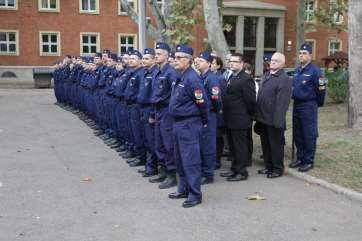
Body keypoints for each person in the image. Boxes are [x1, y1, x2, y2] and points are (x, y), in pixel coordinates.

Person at [168, 44, 208, 208]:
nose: (175, 60)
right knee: (179, 159)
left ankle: (195, 194)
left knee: (190, 161)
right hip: (178, 124)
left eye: (179, 57)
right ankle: (183, 188)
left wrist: (203, 121)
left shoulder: (192, 78)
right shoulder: (181, 76)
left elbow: (202, 103)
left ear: (189, 60)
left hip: (189, 124)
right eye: (175, 57)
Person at [289, 43, 327, 172]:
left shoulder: (316, 71)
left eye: (304, 53)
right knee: (298, 133)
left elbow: (321, 90)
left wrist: (317, 104)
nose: (301, 55)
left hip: (309, 105)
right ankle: (300, 158)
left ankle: (308, 160)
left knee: (308, 134)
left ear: (310, 55)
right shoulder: (298, 70)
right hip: (297, 105)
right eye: (300, 53)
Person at [255, 52, 292, 178]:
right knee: (265, 145)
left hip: (274, 120)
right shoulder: (266, 75)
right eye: (272, 60)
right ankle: (268, 166)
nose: (273, 62)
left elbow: (282, 103)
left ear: (282, 64)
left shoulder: (284, 79)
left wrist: (278, 121)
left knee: (275, 146)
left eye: (276, 60)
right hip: (263, 118)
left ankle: (277, 169)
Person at [220, 53, 256, 181]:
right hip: (230, 118)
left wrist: (248, 116)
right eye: (231, 61)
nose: (232, 63)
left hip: (240, 119)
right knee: (233, 147)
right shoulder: (232, 77)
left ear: (241, 64)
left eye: (235, 62)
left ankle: (241, 172)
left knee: (240, 147)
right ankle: (234, 169)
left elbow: (251, 101)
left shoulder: (246, 79)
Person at [149, 42, 179, 189]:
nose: (156, 56)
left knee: (168, 144)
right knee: (159, 142)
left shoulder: (171, 72)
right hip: (158, 110)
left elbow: (175, 95)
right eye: (156, 53)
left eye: (159, 53)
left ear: (167, 56)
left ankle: (171, 174)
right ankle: (162, 171)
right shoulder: (156, 71)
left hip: (167, 111)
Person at [195, 51, 222, 185]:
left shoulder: (211, 78)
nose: (197, 62)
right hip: (202, 114)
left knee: (208, 145)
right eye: (197, 60)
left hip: (209, 114)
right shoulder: (201, 76)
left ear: (209, 63)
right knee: (201, 143)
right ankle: (203, 170)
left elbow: (216, 99)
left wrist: (213, 111)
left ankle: (208, 174)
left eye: (200, 61)